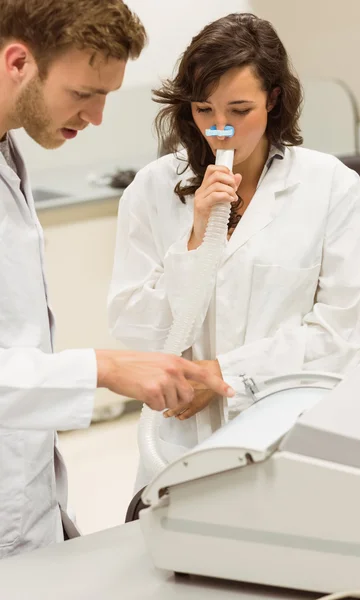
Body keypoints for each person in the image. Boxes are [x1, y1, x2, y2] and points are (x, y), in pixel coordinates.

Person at [0, 0, 234, 558]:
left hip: (28, 497)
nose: (98, 117)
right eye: (84, 94)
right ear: (17, 63)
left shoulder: (9, 149)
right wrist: (103, 368)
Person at [108, 13, 360, 492]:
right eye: (205, 110)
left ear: (273, 99)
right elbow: (133, 324)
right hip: (177, 445)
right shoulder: (151, 190)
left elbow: (339, 336)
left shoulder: (330, 185)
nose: (220, 131)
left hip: (285, 429)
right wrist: (195, 238)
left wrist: (224, 374)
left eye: (239, 110)